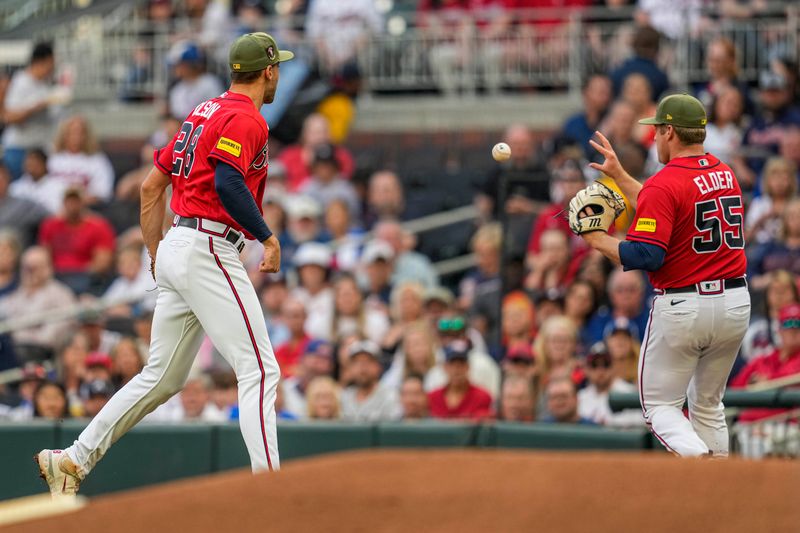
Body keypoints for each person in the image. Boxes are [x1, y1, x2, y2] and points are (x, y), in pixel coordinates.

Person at [35, 33, 295, 496]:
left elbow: (151, 187)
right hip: (209, 246)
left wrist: (159, 253)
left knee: (163, 375)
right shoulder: (245, 118)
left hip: (180, 241)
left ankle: (73, 458)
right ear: (270, 71)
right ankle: (270, 492)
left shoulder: (202, 111)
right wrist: (268, 238)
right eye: (278, 69)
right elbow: (229, 181)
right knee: (259, 368)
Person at [581, 93, 750, 457]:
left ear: (670, 131)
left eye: (657, 130)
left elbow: (647, 254)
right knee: (707, 405)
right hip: (735, 301)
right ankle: (721, 486)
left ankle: (698, 459)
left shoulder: (665, 181)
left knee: (660, 407)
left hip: (684, 305)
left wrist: (597, 240)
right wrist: (621, 177)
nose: (654, 137)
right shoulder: (724, 172)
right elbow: (672, 206)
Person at [38, 187, 116, 295]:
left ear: (83, 203)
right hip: (56, 274)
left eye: (76, 201)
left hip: (84, 276)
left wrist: (79, 271)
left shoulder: (98, 226)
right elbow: (44, 254)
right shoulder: (50, 225)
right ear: (63, 203)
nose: (72, 205)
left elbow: (102, 263)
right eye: (69, 201)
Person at [2, 42, 63, 180]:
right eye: (52, 61)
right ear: (44, 61)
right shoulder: (21, 82)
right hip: (20, 151)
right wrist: (35, 107)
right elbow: (9, 117)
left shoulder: (45, 84)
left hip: (41, 150)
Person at [730, 303, 800, 421]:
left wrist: (768, 382)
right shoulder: (763, 360)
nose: (793, 330)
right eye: (788, 323)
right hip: (747, 428)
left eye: (798, 324)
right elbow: (735, 389)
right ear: (779, 330)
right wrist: (752, 384)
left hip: (787, 428)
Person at [47, 115, 116, 205]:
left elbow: (103, 192)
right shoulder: (53, 158)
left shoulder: (97, 160)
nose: (76, 137)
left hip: (85, 211)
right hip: (52, 210)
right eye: (71, 132)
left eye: (80, 132)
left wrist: (75, 203)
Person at [577, 343, 642, 427]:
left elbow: (641, 426)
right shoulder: (580, 397)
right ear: (587, 369)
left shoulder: (629, 393)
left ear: (614, 367)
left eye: (606, 364)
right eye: (594, 365)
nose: (600, 371)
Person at [427, 340, 493, 420]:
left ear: (468, 367)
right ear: (445, 367)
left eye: (461, 364)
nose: (456, 370)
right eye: (452, 364)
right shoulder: (433, 397)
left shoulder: (482, 396)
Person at [340, 340, 402, 422]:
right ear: (350, 368)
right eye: (357, 362)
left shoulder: (391, 397)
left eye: (368, 361)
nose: (362, 367)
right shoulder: (343, 397)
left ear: (378, 366)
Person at [9, 148, 65, 214]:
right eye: (29, 163)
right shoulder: (15, 187)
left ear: (44, 165)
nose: (32, 166)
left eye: (36, 163)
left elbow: (56, 212)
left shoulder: (58, 187)